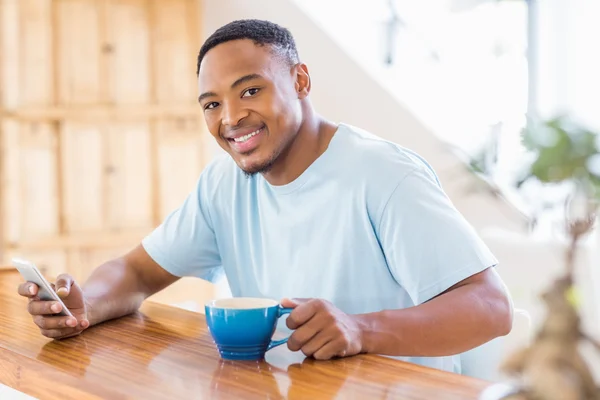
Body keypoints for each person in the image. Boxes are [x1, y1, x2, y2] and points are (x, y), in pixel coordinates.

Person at [18, 19, 512, 373]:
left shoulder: (383, 175)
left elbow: (491, 308)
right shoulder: (223, 183)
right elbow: (136, 271)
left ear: (299, 80)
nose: (230, 118)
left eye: (249, 91)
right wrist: (84, 307)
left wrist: (362, 329)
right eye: (212, 103)